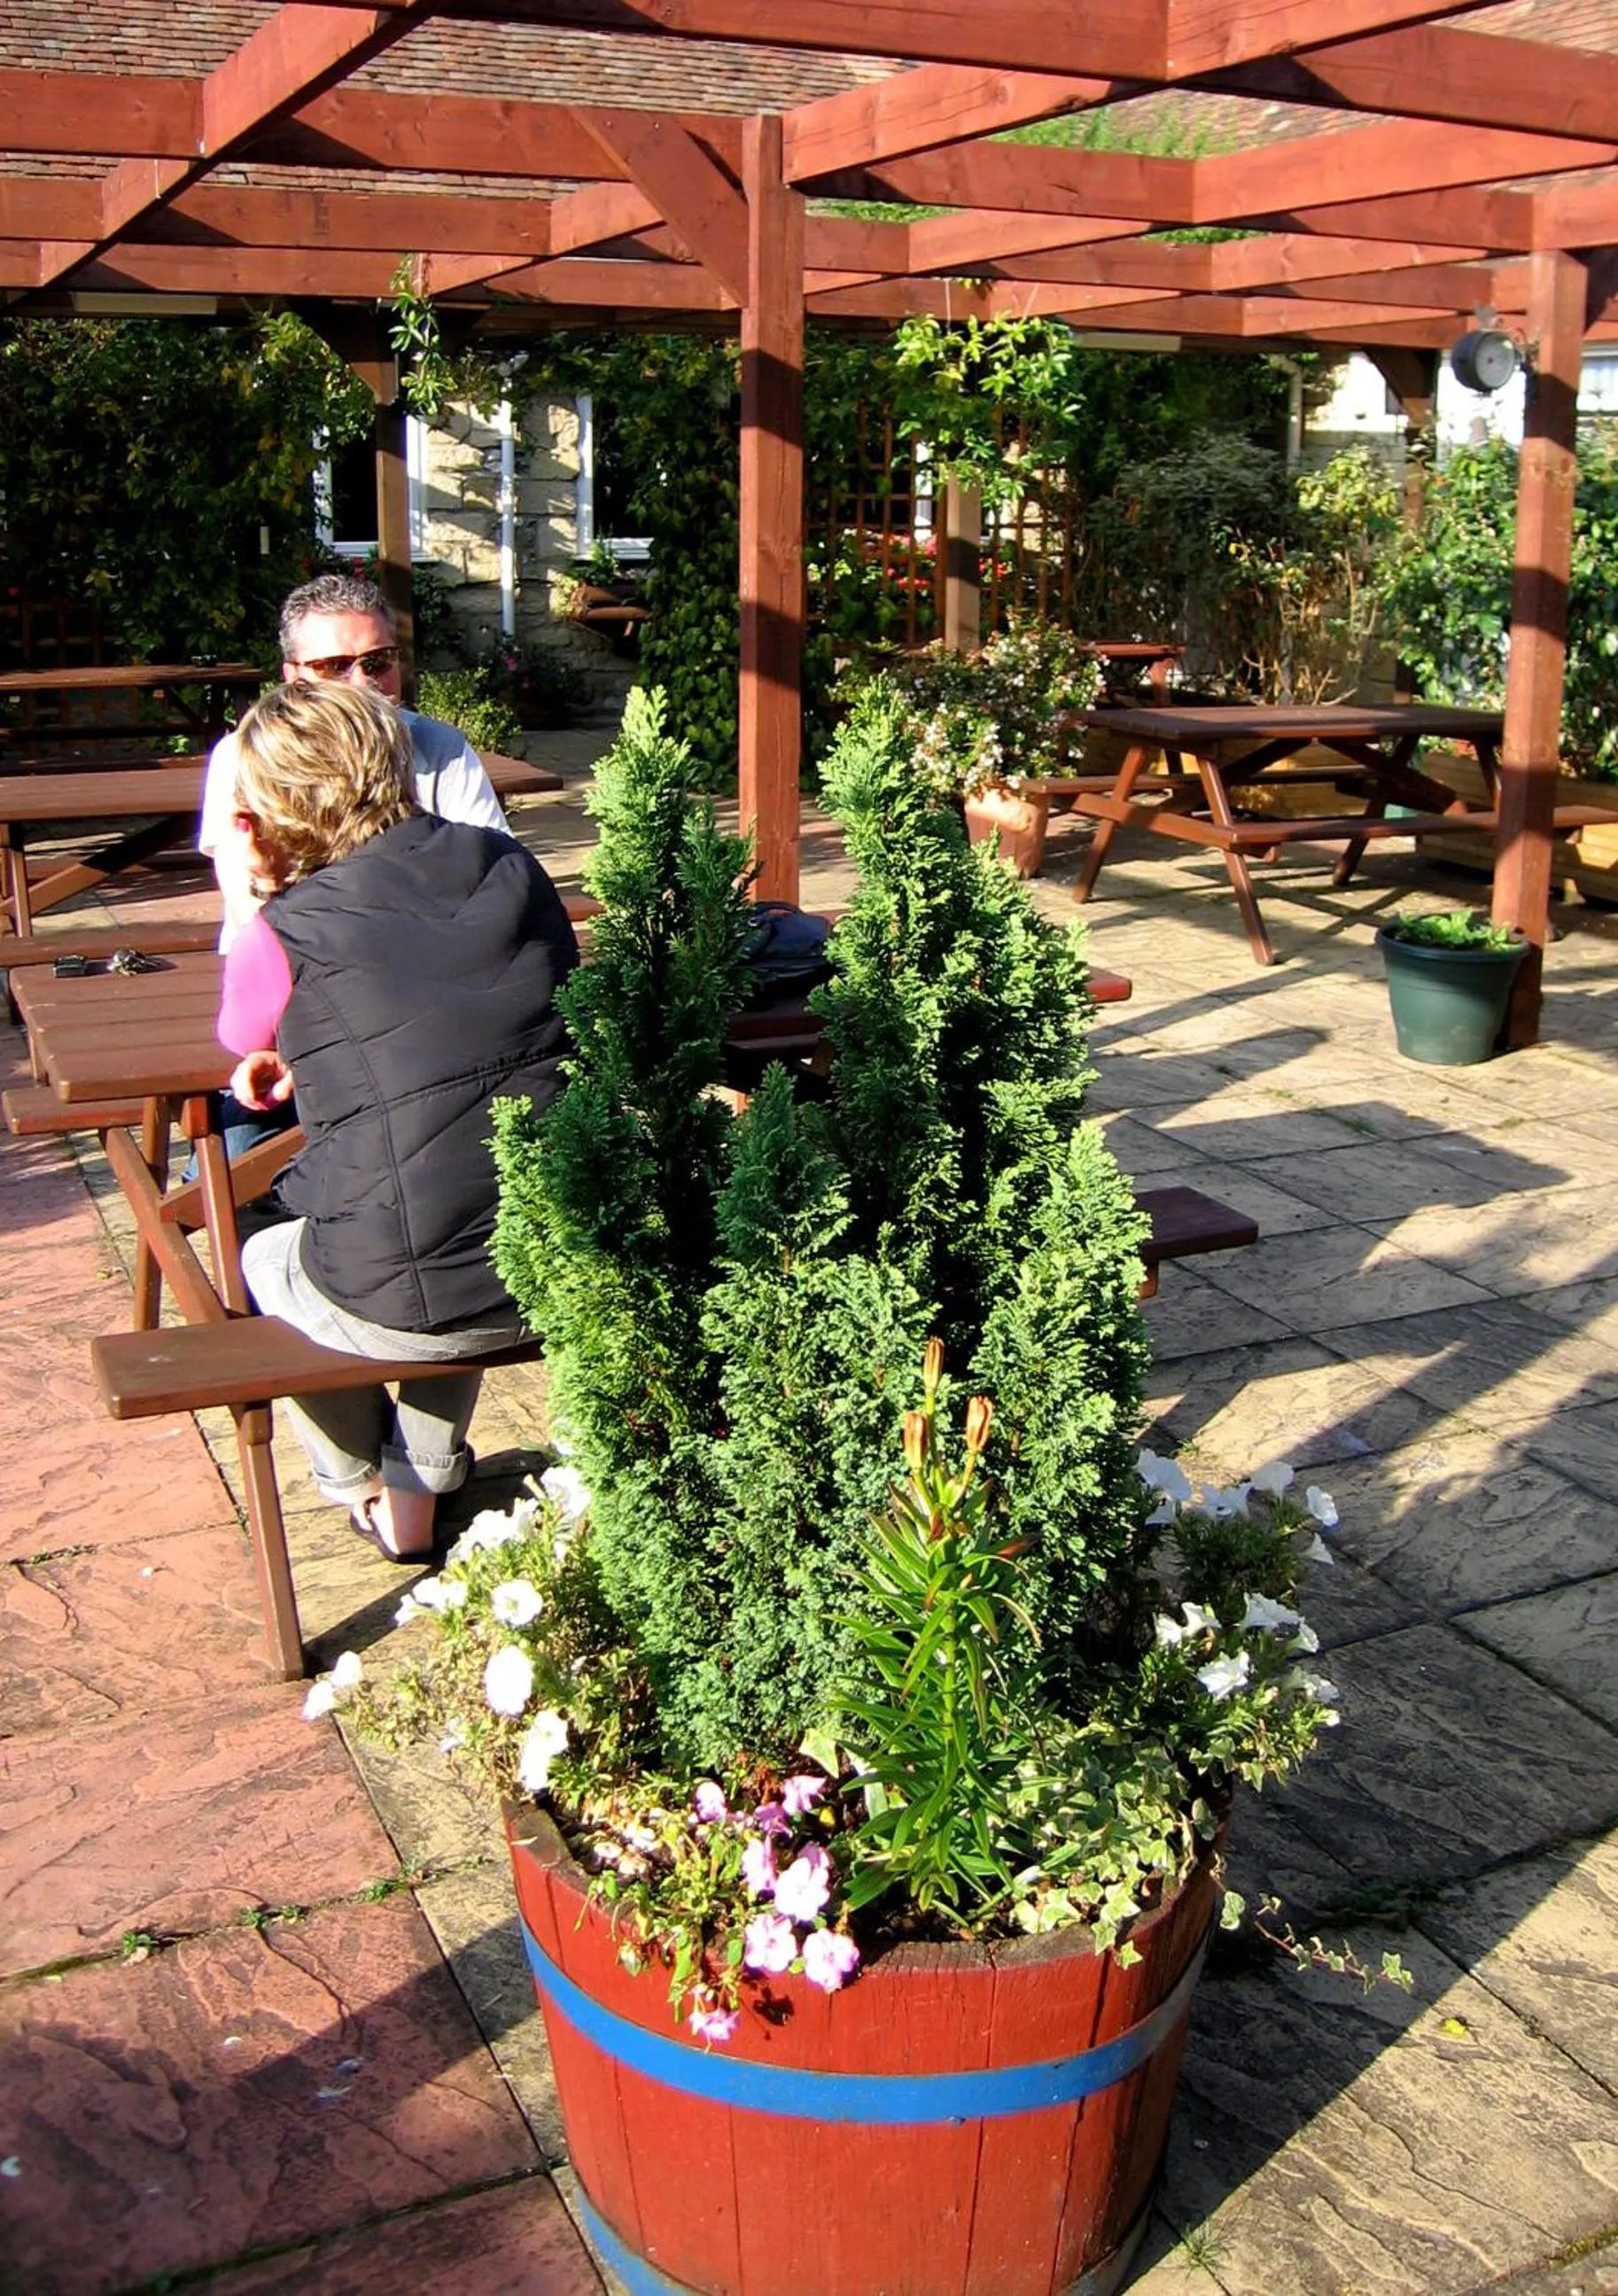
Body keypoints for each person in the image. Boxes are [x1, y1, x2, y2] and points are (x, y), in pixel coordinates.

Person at [217, 679, 578, 1561]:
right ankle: (419, 1483)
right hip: (558, 1257)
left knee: (264, 1252)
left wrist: (262, 883)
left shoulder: (286, 925)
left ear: (263, 812)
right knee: (461, 1189)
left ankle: (367, 1489)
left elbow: (235, 1032)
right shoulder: (510, 865)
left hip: (414, 1297)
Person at [199, 571, 509, 947]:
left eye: (377, 661)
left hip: (416, 956)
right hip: (284, 957)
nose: (362, 682)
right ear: (291, 676)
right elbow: (244, 899)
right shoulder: (243, 756)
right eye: (333, 666)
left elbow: (494, 869)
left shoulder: (439, 748)